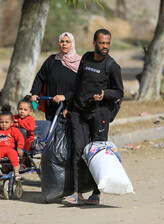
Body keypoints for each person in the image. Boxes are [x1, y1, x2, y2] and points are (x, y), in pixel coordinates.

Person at [62, 29, 124, 205]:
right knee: (78, 151)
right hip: (79, 112)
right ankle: (77, 193)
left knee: (97, 153)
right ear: (94, 43)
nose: (105, 46)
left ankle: (96, 194)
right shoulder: (87, 58)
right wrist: (69, 106)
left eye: (108, 43)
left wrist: (104, 94)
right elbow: (77, 84)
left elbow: (119, 92)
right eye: (102, 43)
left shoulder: (112, 66)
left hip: (99, 114)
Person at [30, 32, 81, 121]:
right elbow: (40, 78)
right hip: (52, 106)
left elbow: (82, 86)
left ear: (72, 43)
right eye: (62, 41)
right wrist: (35, 93)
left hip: (71, 107)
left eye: (67, 42)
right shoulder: (52, 60)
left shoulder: (80, 63)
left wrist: (65, 97)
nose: (64, 44)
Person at [0, 104, 24, 181]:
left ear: (11, 122)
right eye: (1, 122)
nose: (4, 124)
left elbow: (20, 139)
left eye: (6, 122)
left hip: (8, 149)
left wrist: (19, 147)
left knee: (13, 154)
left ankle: (16, 172)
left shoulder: (13, 130)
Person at [13, 95, 35, 168]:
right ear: (17, 109)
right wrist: (15, 124)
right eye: (20, 109)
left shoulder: (30, 119)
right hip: (15, 138)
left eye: (25, 110)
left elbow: (31, 129)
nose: (22, 111)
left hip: (28, 138)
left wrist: (19, 122)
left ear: (30, 111)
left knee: (25, 146)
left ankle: (22, 162)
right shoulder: (14, 117)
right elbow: (9, 123)